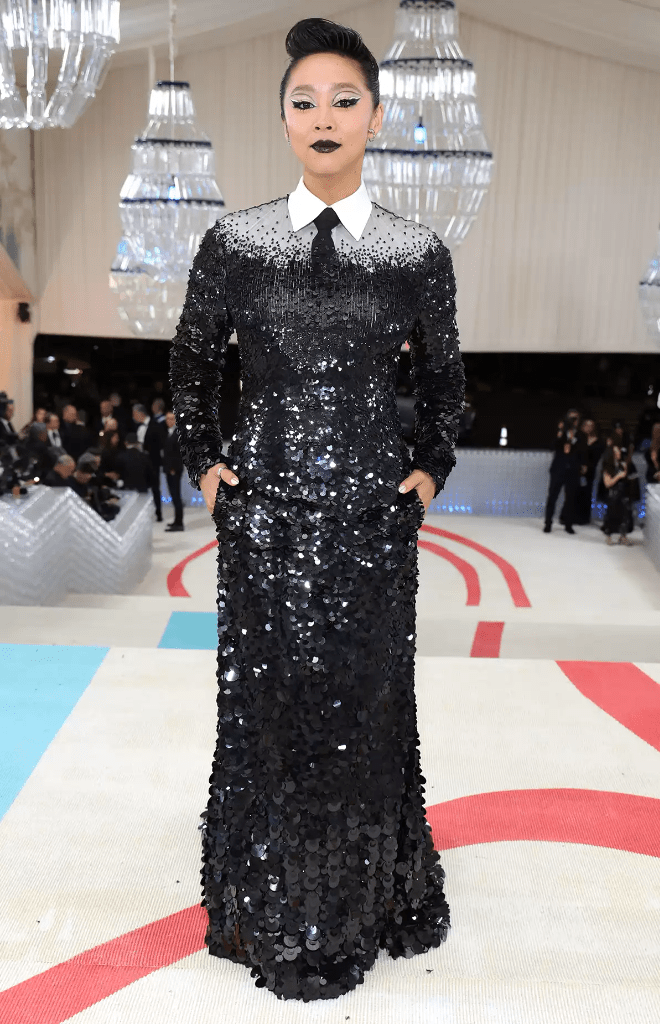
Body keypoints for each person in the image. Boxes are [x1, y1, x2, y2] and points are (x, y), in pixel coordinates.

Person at [169, 18, 463, 1001]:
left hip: (373, 527)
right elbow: (190, 367)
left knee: (365, 709)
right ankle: (267, 900)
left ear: (376, 116)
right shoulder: (235, 242)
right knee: (271, 709)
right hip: (264, 522)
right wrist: (209, 468)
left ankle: (361, 898)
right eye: (305, 101)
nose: (324, 116)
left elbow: (447, 387)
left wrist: (426, 476)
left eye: (344, 100)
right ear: (285, 118)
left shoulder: (417, 252)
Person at [544, 412, 581, 533]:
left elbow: (582, 450)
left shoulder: (580, 435)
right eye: (571, 418)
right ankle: (548, 523)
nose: (573, 421)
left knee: (571, 498)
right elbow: (552, 446)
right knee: (552, 497)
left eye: (575, 419)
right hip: (558, 469)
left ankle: (568, 524)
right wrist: (560, 433)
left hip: (572, 470)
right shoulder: (560, 433)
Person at [573, 418, 604, 525]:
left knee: (586, 494)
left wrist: (587, 466)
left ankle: (583, 518)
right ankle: (572, 516)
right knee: (574, 493)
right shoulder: (578, 438)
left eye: (591, 426)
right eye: (586, 425)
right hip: (577, 469)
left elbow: (597, 456)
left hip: (590, 470)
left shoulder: (598, 441)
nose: (588, 428)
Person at [602, 443, 633, 544]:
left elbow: (627, 477)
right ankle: (609, 536)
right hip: (613, 494)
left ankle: (623, 536)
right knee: (612, 515)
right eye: (616, 452)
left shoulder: (622, 464)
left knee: (625, 515)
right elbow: (607, 484)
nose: (618, 453)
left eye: (618, 451)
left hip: (624, 493)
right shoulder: (607, 467)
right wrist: (618, 476)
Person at [162, 411, 184, 531]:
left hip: (174, 470)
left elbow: (178, 454)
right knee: (174, 495)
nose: (168, 421)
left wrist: (173, 468)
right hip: (170, 469)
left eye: (171, 419)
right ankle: (177, 521)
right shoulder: (169, 433)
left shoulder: (177, 434)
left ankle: (179, 523)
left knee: (176, 496)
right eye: (167, 419)